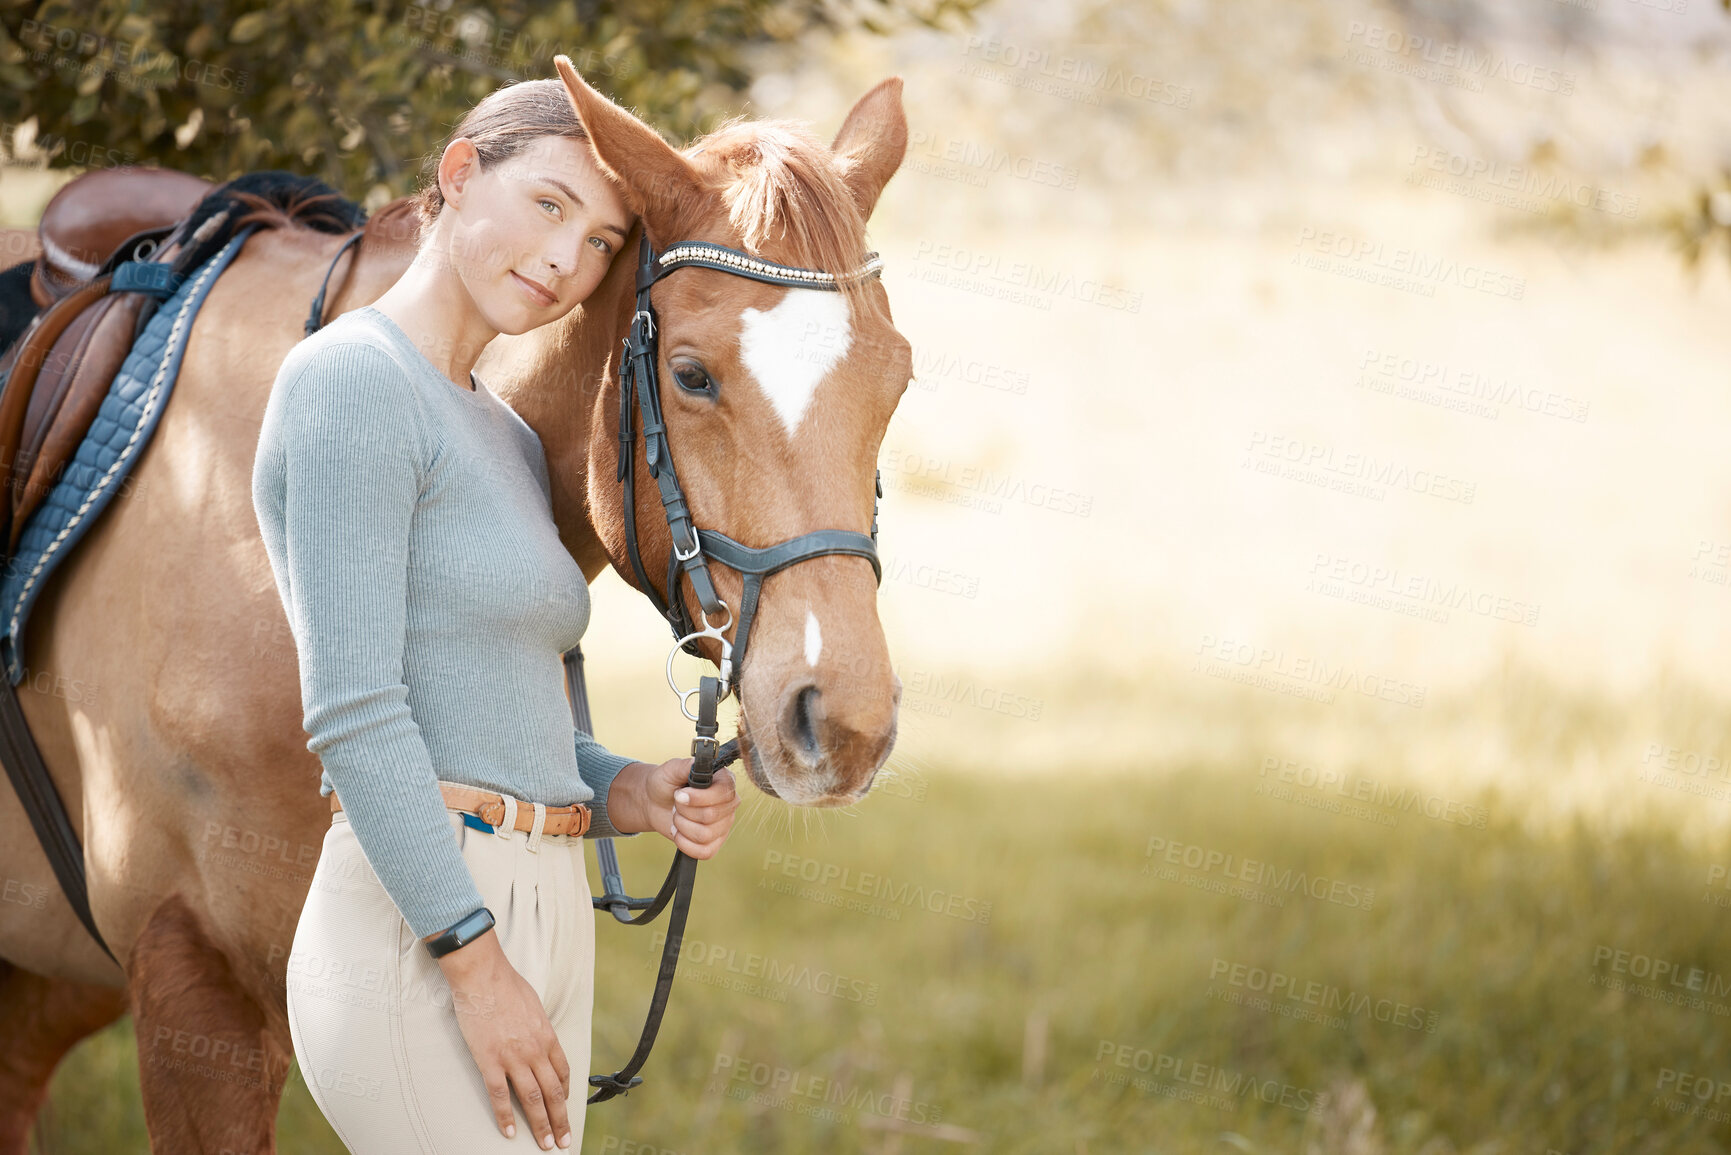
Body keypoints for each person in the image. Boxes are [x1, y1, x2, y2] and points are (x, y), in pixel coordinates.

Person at [251, 76, 739, 1154]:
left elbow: (491, 705)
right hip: (426, 923)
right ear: (461, 173)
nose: (570, 259)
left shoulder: (504, 434)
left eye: (605, 241)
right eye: (551, 206)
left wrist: (632, 790)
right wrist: (475, 966)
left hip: (546, 905)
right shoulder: (351, 383)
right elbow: (357, 716)